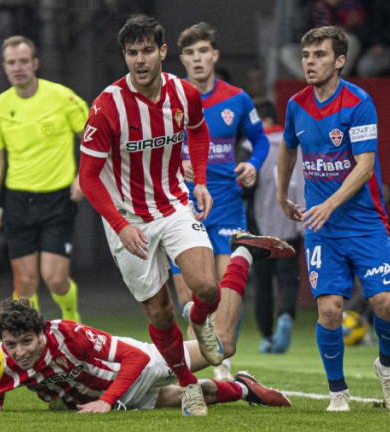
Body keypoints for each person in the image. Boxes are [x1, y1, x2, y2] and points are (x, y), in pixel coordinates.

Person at [78, 15, 294, 416]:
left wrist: (198, 183)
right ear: (124, 56)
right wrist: (122, 225)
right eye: (131, 53)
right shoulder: (107, 107)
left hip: (174, 203)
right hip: (127, 218)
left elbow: (198, 131)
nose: (139, 60)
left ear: (162, 52)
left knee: (207, 289)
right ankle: (188, 383)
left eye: (146, 51)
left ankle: (199, 318)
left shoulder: (184, 93)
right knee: (159, 312)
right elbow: (88, 178)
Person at [276, 26, 390, 412]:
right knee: (330, 309)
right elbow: (287, 150)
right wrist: (283, 194)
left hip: (365, 223)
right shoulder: (297, 105)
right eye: (306, 56)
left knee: (386, 303)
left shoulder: (359, 102)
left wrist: (330, 203)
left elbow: (365, 168)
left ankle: (387, 368)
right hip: (323, 230)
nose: (310, 62)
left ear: (339, 61)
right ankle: (338, 392)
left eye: (319, 55)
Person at [0, 299, 291, 413]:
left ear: (41, 333)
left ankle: (243, 256)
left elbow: (133, 358)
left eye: (27, 341)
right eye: (12, 345)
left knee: (222, 348)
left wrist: (106, 401)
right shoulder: (5, 359)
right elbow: (0, 381)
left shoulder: (68, 336)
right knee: (201, 394)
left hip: (142, 366)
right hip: (120, 396)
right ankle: (245, 388)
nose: (20, 351)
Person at [171, 22, 271, 380]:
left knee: (227, 282)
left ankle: (223, 361)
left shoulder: (237, 99)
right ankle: (191, 370)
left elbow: (260, 141)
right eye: (190, 53)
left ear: (215, 55)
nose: (197, 59)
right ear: (182, 58)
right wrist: (172, 160)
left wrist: (253, 165)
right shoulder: (172, 98)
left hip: (226, 201)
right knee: (189, 293)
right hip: (181, 205)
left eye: (203, 51)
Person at [0, 35, 87, 321]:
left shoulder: (63, 98)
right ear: (4, 66)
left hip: (58, 197)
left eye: (23, 61)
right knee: (25, 283)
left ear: (35, 64)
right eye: (11, 62)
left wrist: (83, 176)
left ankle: (70, 317)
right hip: (18, 200)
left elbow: (94, 139)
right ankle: (34, 342)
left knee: (54, 279)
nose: (18, 67)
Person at [241, 99, 305, 354]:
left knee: (263, 283)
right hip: (292, 220)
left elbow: (244, 186)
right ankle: (286, 316)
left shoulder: (251, 146)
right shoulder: (295, 145)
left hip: (260, 225)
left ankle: (267, 336)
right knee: (289, 279)